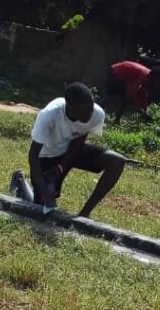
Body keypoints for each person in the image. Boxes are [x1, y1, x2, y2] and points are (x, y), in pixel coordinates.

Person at [10, 82, 125, 218]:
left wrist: (61, 167)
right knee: (41, 208)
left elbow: (79, 138)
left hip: (72, 151)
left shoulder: (96, 113)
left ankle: (84, 214)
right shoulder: (50, 115)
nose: (90, 114)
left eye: (90, 108)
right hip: (47, 155)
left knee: (116, 161)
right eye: (85, 111)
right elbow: (33, 155)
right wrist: (45, 191)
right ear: (70, 108)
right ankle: (20, 182)